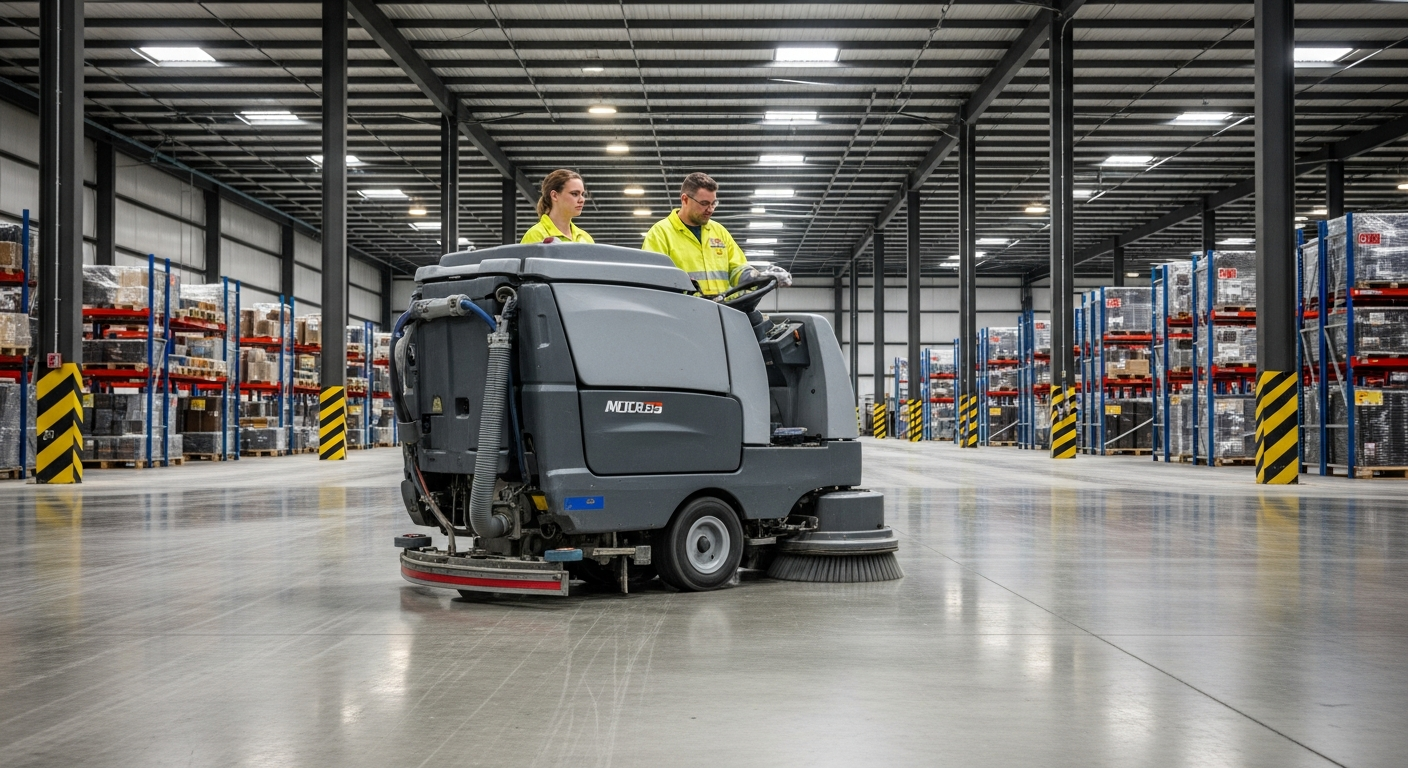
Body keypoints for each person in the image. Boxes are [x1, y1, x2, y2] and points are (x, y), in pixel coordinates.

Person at [642, 172, 788, 298]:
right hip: (682, 317)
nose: (710, 209)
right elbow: (653, 281)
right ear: (685, 199)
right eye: (704, 203)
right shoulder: (660, 234)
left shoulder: (719, 232)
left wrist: (759, 278)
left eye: (714, 203)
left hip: (722, 315)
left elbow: (737, 268)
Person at [521, 169, 594, 244]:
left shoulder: (586, 238)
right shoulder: (535, 235)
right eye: (574, 194)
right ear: (554, 195)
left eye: (582, 194)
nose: (582, 200)